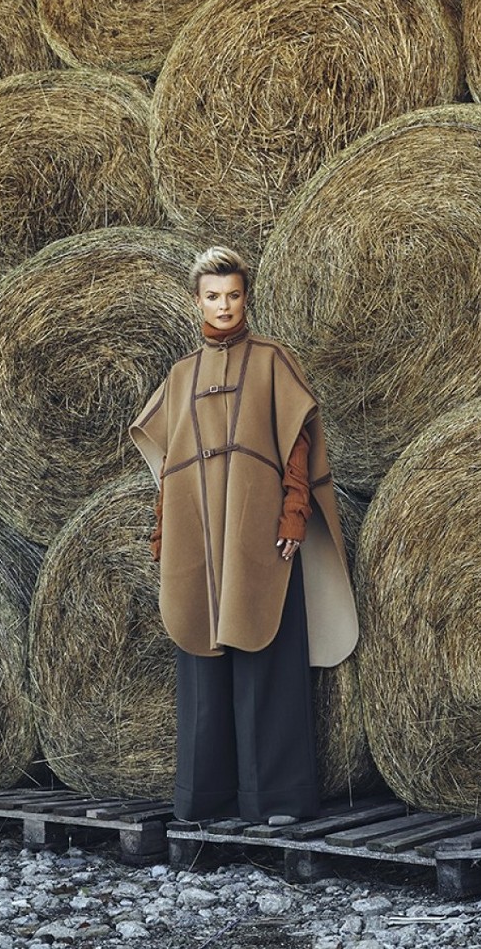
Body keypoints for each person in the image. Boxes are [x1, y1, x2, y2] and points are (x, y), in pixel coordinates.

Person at [129, 245, 358, 825]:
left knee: (266, 651)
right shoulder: (181, 376)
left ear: (246, 297)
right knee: (201, 654)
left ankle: (274, 800)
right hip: (198, 531)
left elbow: (298, 446)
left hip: (259, 528)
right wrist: (162, 533)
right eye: (213, 296)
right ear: (196, 301)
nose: (224, 306)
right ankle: (204, 799)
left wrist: (293, 515)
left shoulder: (273, 361)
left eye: (233, 295)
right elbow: (169, 465)